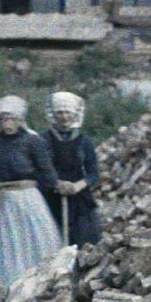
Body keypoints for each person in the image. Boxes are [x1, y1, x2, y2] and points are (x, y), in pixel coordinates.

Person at [0, 94, 63, 302]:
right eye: (4, 119)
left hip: (28, 199)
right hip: (5, 200)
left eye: (12, 119)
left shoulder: (32, 141)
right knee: (10, 246)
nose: (8, 123)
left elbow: (46, 170)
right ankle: (14, 298)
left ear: (20, 120)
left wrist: (58, 185)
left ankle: (42, 293)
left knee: (36, 243)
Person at [44, 90, 104, 247]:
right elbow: (38, 169)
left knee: (83, 241)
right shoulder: (43, 140)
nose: (64, 117)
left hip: (79, 197)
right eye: (60, 113)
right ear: (53, 115)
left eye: (67, 113)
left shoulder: (84, 142)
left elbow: (93, 173)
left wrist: (76, 186)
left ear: (75, 114)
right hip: (51, 196)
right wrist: (57, 184)